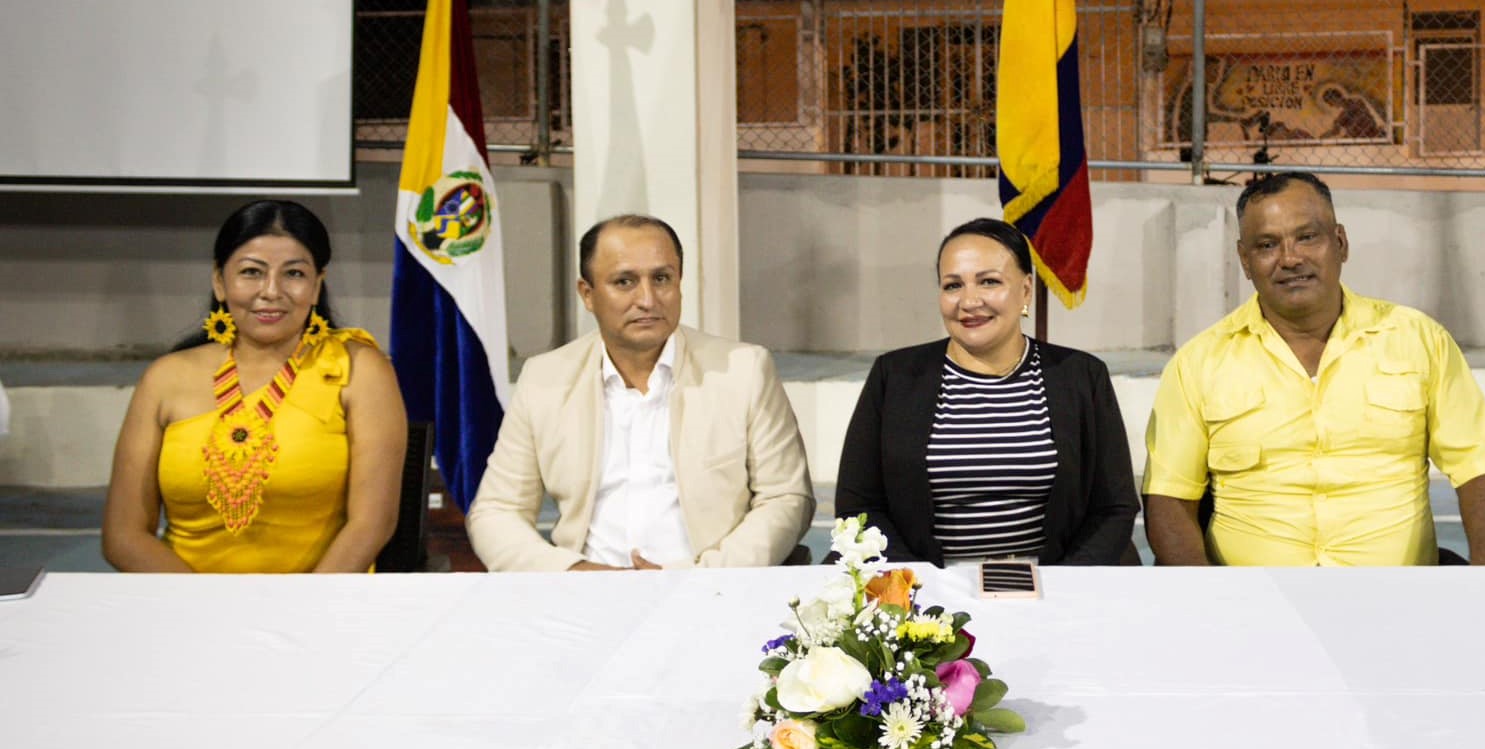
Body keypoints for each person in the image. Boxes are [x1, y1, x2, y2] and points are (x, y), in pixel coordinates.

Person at [1144, 171, 1485, 566]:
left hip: (1397, 595)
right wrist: (1213, 599)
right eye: (1267, 245)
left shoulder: (1419, 341)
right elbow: (1168, 499)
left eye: (1307, 237)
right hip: (1253, 598)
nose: (1290, 259)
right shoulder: (1199, 363)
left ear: (1340, 243)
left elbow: (1481, 472)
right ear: (1245, 261)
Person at [468, 214, 814, 571]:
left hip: (709, 586)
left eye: (661, 279)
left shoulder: (743, 370)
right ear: (587, 294)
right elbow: (496, 511)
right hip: (584, 591)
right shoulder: (544, 380)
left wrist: (699, 576)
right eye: (625, 282)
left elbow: (786, 498)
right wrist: (574, 572)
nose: (647, 299)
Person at [102, 200, 405, 572]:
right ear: (220, 282)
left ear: (316, 286)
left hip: (318, 599)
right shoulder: (165, 378)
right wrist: (202, 602)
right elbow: (123, 536)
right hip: (183, 599)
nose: (271, 291)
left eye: (294, 274)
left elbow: (372, 524)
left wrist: (304, 603)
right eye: (251, 272)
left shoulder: (359, 370)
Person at [834, 218, 1139, 565]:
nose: (969, 301)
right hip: (923, 581)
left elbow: (1114, 506)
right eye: (953, 285)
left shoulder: (1082, 376)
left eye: (989, 281)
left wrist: (1064, 582)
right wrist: (917, 582)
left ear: (1026, 290)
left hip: (1053, 576)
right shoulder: (894, 376)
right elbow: (858, 505)